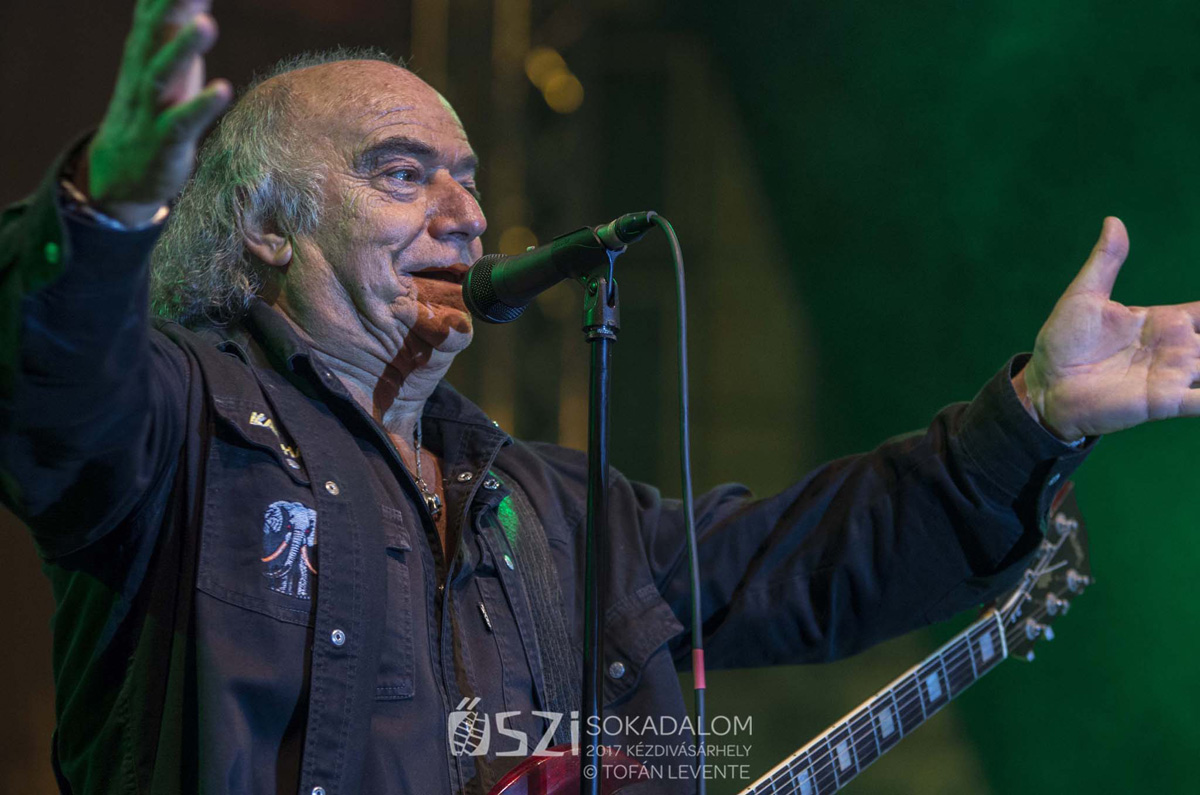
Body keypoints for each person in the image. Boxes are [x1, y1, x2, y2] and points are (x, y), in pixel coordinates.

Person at [4, 1, 1200, 794]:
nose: (468, 215)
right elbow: (46, 379)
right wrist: (106, 211)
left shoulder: (551, 510)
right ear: (268, 226)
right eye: (404, 174)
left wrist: (1036, 415)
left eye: (469, 182)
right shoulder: (180, 428)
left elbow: (816, 563)